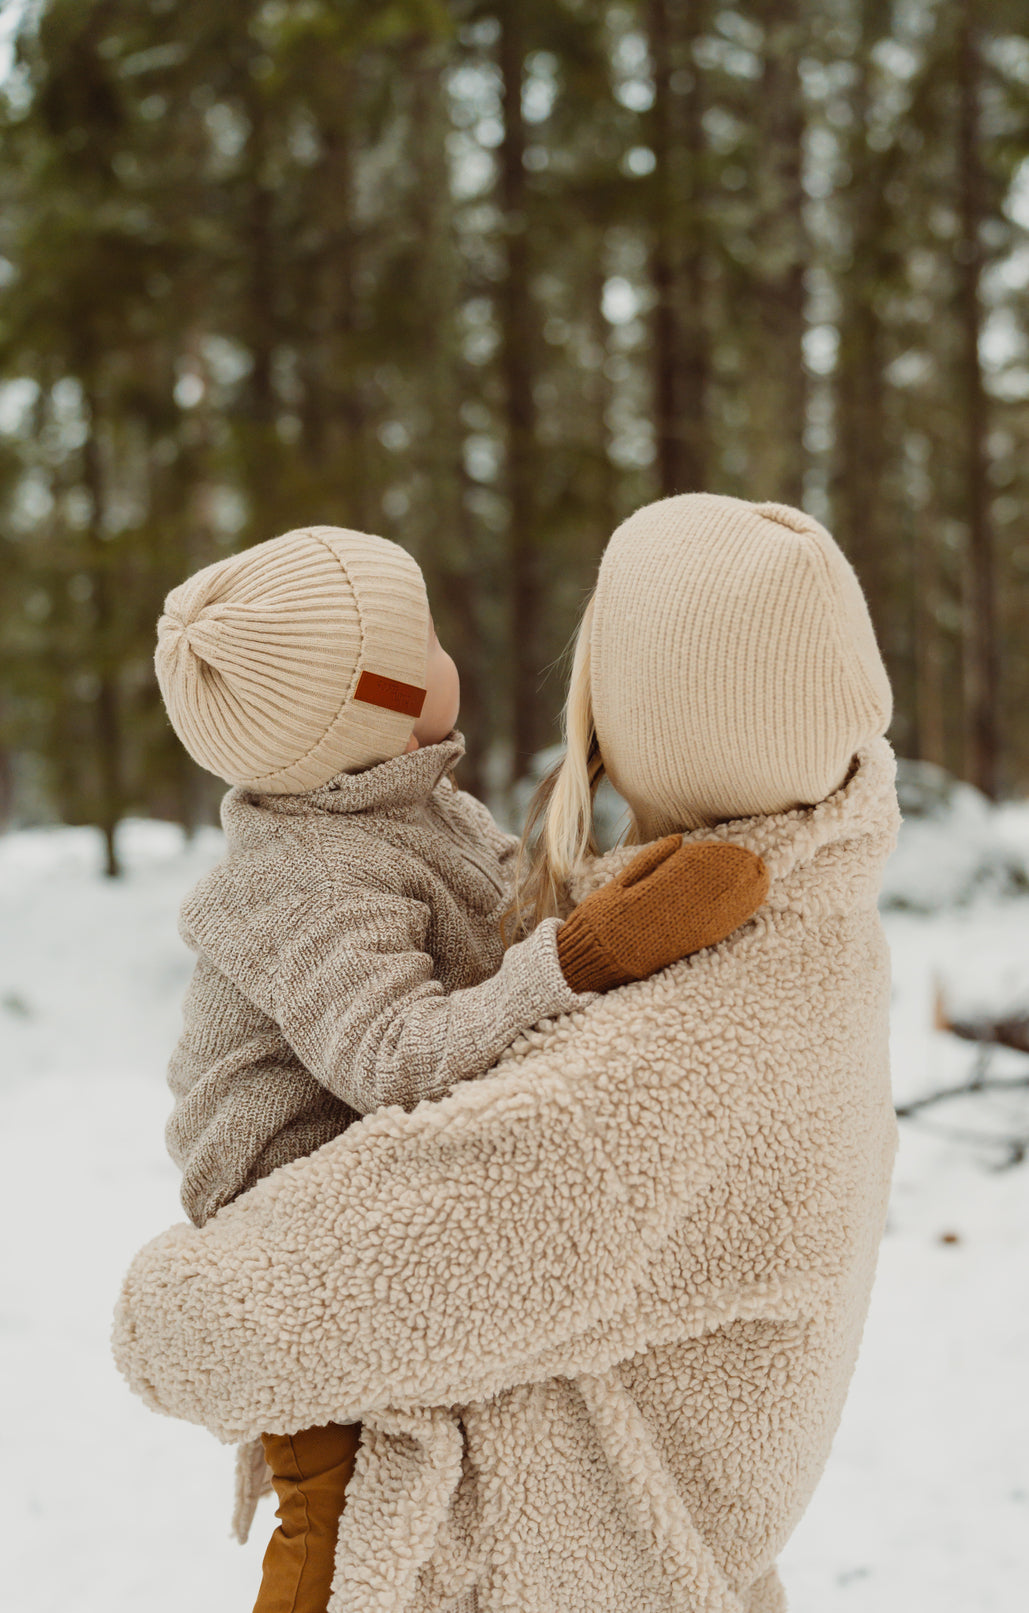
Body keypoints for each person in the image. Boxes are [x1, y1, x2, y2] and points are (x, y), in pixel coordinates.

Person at [116, 492, 900, 1613]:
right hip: (293, 1210)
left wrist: (567, 950)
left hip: (574, 1557)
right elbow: (405, 1047)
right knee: (317, 1538)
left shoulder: (654, 1074)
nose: (455, 658)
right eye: (423, 646)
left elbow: (218, 1319)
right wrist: (573, 953)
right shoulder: (318, 872)